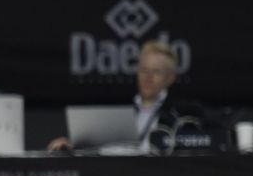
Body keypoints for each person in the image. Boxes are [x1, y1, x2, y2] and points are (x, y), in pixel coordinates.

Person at [48, 40, 202, 151]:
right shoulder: (117, 107)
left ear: (170, 77)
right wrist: (70, 146)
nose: (148, 77)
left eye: (156, 71)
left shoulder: (184, 113)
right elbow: (93, 145)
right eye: (144, 70)